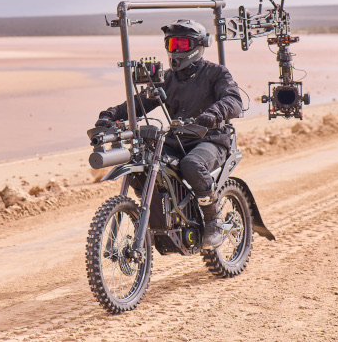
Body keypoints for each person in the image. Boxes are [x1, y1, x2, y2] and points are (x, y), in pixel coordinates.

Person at [95, 19, 243, 250]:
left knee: (192, 165)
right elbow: (138, 103)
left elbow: (234, 100)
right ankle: (157, 213)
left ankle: (212, 220)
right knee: (142, 160)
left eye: (182, 45)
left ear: (198, 46)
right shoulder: (166, 78)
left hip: (211, 138)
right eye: (171, 44)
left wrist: (214, 113)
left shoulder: (216, 73)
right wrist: (111, 114)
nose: (175, 51)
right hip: (177, 139)